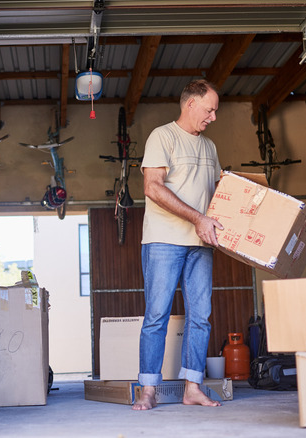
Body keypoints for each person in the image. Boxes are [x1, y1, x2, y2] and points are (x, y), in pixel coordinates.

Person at [132, 79, 223, 411]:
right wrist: (197, 218)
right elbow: (152, 187)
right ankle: (148, 391)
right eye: (210, 110)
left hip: (201, 243)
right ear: (191, 104)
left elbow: (216, 197)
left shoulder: (210, 147)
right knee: (157, 315)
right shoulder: (163, 136)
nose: (213, 117)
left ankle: (193, 388)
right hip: (164, 240)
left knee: (201, 316)